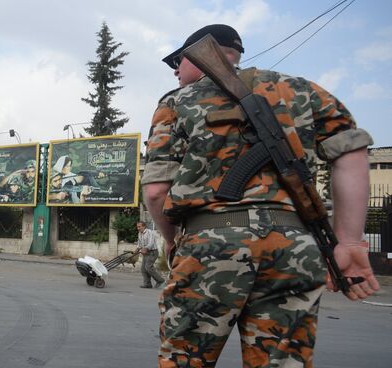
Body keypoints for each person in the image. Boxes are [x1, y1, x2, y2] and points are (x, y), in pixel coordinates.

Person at [141, 24, 380, 367]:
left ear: (200, 52)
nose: (177, 70)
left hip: (210, 245)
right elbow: (353, 152)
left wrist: (172, 240)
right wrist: (350, 241)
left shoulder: (177, 102)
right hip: (294, 247)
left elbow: (156, 190)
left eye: (178, 60)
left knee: (185, 358)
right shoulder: (303, 90)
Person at [136, 221, 165, 289]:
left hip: (153, 252)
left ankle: (161, 281)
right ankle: (147, 284)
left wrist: (146, 248)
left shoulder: (150, 232)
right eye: (137, 227)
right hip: (146, 253)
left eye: (139, 227)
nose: (138, 228)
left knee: (148, 267)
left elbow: (151, 242)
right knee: (143, 269)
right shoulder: (140, 234)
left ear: (144, 226)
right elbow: (139, 244)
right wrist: (137, 249)